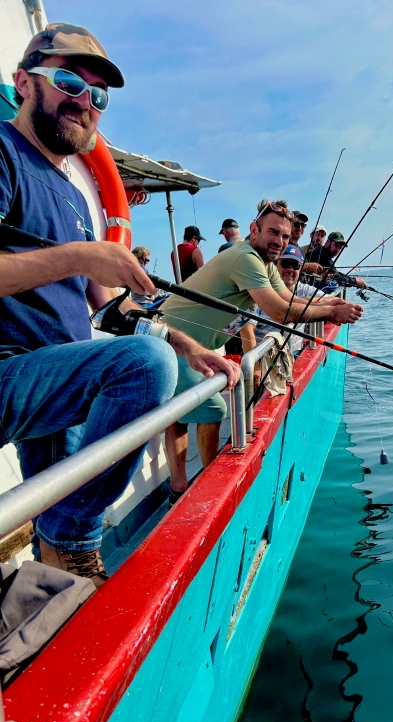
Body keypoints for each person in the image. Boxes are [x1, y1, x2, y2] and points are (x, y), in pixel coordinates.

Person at [0, 23, 238, 586]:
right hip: (12, 371)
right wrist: (79, 256)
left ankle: (55, 570)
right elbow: (78, 267)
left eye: (98, 96)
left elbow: (110, 310)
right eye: (68, 81)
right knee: (141, 368)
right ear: (23, 83)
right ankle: (69, 540)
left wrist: (187, 346)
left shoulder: (74, 199)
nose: (84, 102)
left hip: (53, 374)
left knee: (155, 355)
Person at [160, 200, 363, 500]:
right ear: (254, 230)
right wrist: (331, 315)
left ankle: (179, 487)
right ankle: (207, 490)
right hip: (174, 340)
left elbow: (287, 296)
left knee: (180, 416)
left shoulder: (264, 263)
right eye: (273, 232)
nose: (279, 241)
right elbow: (280, 312)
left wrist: (330, 303)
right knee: (213, 410)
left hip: (196, 344)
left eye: (284, 235)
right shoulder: (246, 258)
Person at [250, 244, 339, 355]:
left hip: (294, 354)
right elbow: (248, 330)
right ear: (274, 265)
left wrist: (338, 307)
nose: (290, 269)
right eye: (285, 264)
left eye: (296, 265)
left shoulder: (304, 290)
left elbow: (327, 298)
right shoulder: (260, 291)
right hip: (265, 357)